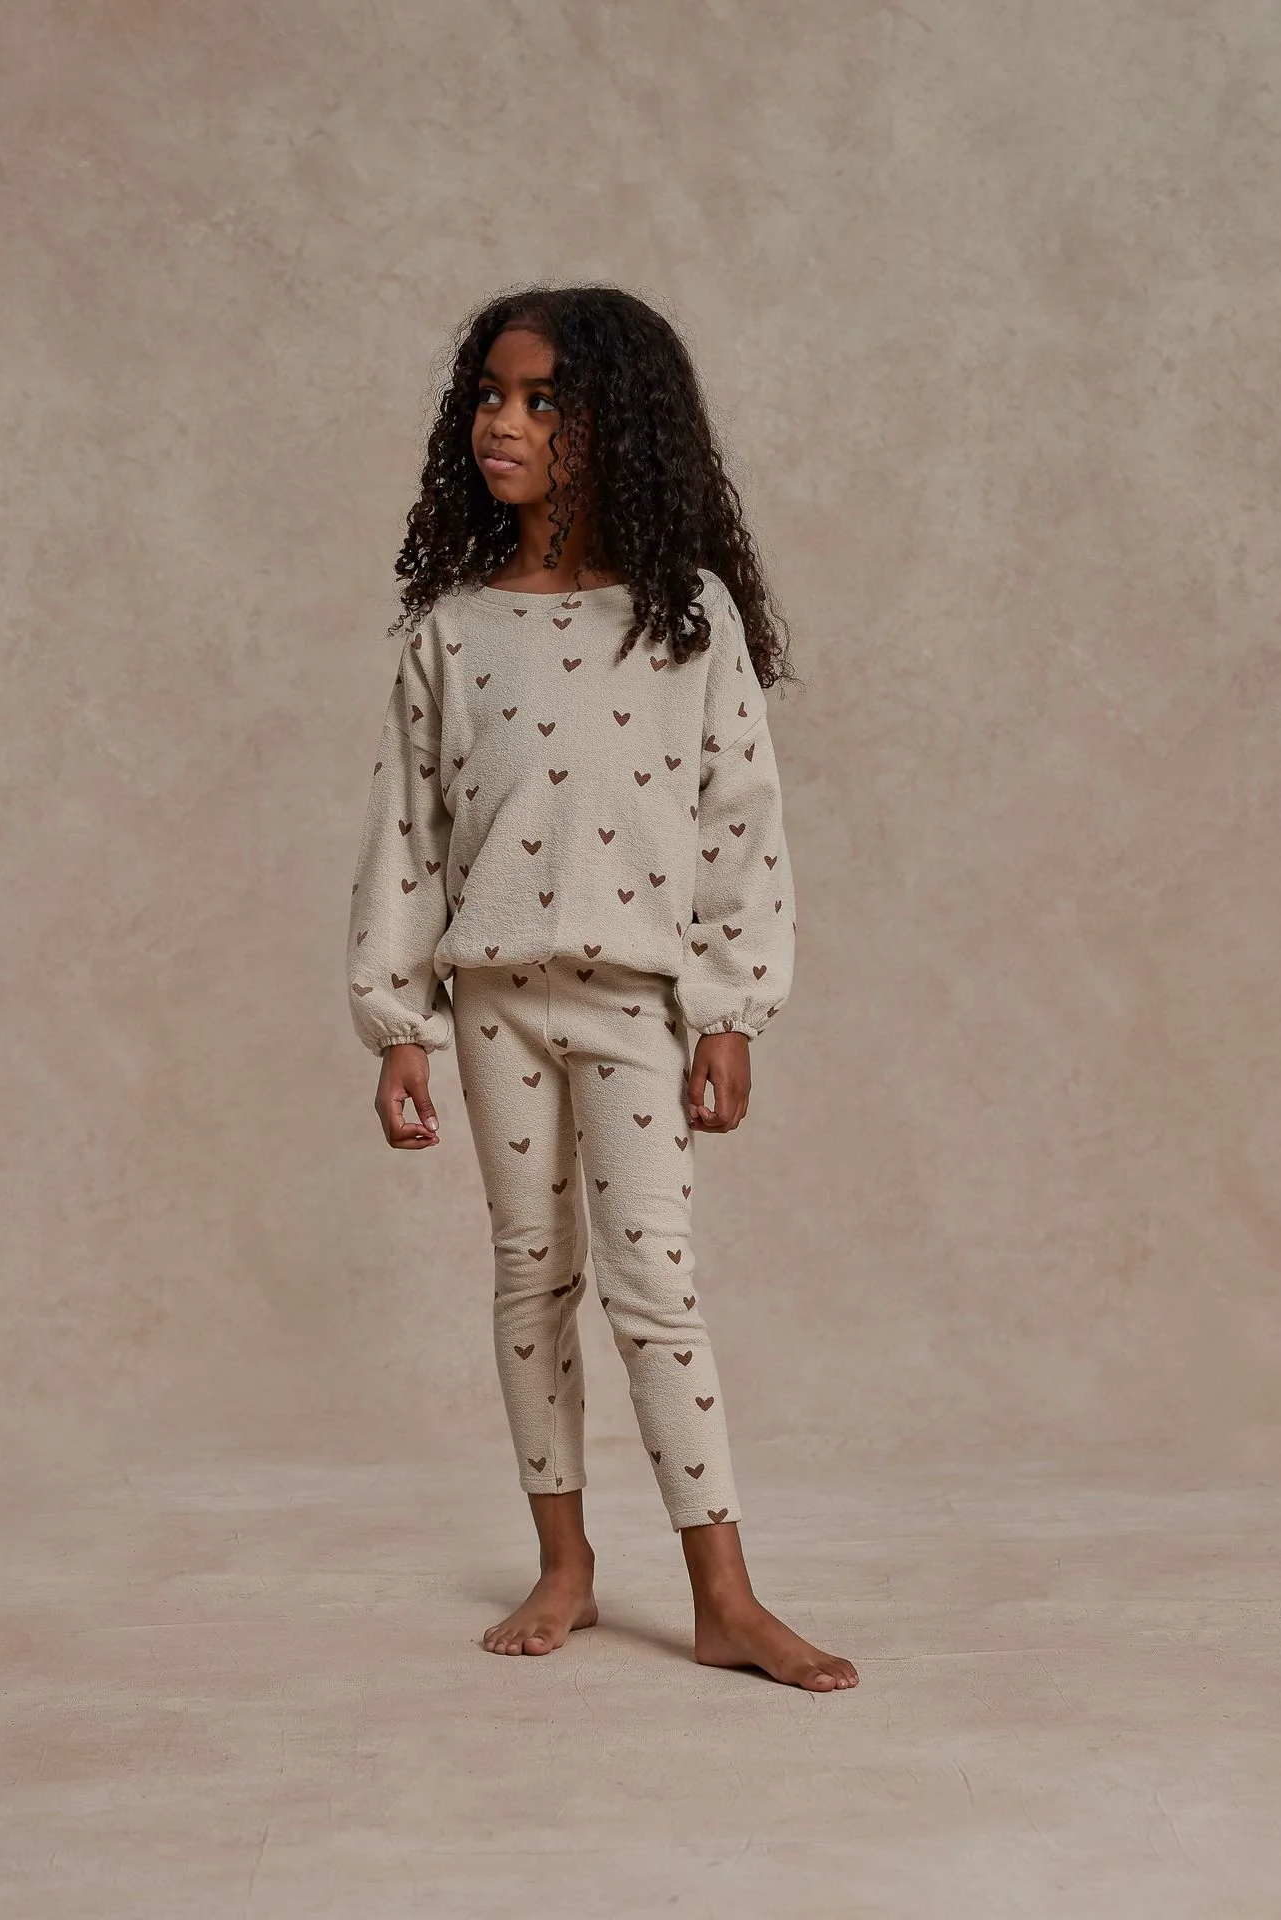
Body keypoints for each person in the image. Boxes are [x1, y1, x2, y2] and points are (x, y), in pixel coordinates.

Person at [346, 285, 858, 1692]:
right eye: (488, 396)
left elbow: (739, 817)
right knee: (531, 1274)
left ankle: (723, 1595)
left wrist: (733, 1009)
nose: (500, 423)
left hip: (636, 999)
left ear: (616, 425)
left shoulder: (687, 618)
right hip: (492, 1001)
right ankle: (563, 1563)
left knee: (655, 1288)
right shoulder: (451, 627)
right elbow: (408, 835)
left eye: (540, 400)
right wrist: (397, 1026)